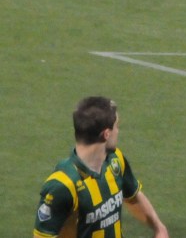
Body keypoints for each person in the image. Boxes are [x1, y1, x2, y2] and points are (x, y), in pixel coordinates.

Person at [33, 96, 169, 238]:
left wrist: (159, 228)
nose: (118, 131)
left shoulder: (115, 160)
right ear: (106, 134)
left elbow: (132, 196)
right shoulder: (62, 185)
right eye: (117, 126)